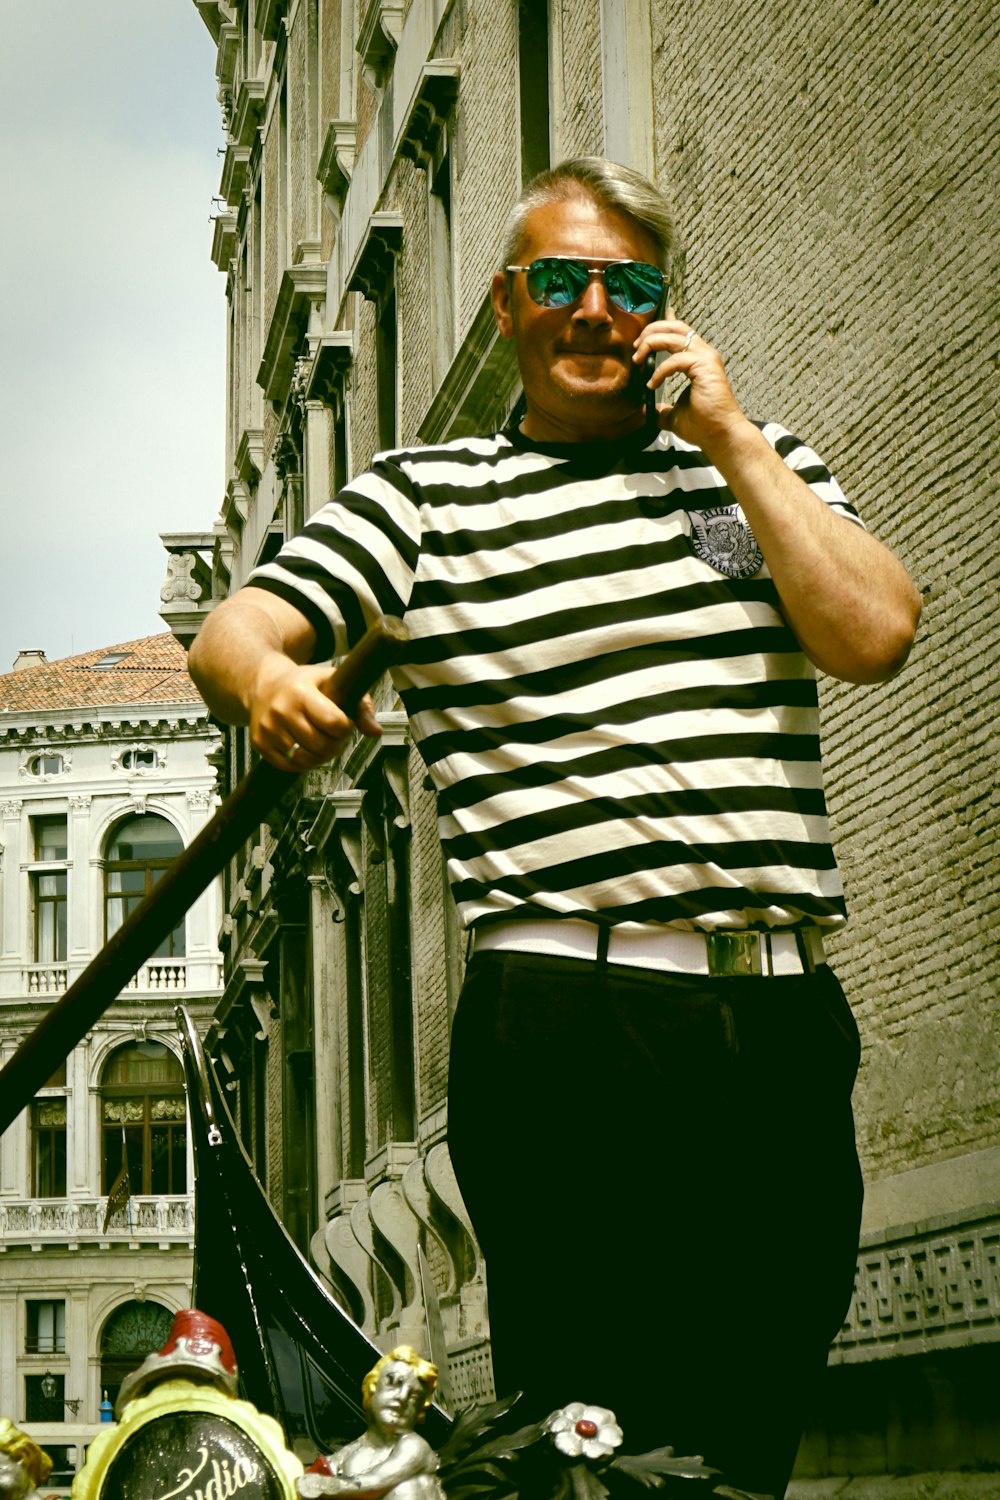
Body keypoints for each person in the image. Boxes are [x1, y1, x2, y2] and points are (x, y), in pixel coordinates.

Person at [189, 157, 921, 1496]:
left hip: (778, 1020)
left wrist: (741, 443)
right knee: (594, 1437)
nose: (596, 309)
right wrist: (267, 681)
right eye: (564, 283)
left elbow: (873, 632)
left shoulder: (765, 474)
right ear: (508, 303)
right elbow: (241, 624)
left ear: (663, 314)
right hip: (568, 1023)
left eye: (629, 286)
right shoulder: (425, 500)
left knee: (752, 1422)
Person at [298, 1347, 443, 1500]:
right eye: (393, 1383)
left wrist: (322, 1485)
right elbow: (319, 1470)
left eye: (414, 1397)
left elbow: (373, 1483)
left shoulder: (414, 1446)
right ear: (372, 1388)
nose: (402, 1397)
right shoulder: (351, 1451)